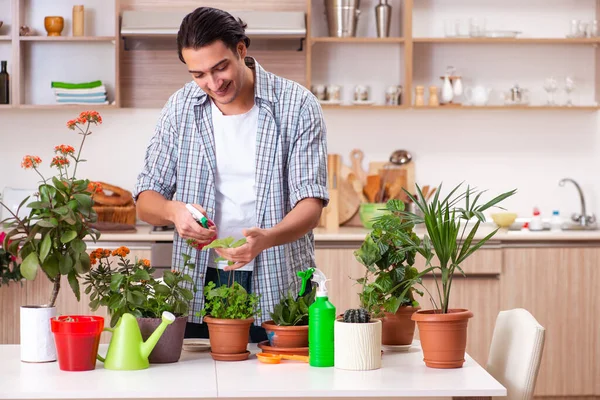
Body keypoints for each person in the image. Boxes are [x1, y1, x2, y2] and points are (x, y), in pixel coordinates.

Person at [133, 6, 328, 342]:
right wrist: (173, 211)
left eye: (219, 67)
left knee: (280, 384)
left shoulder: (297, 105)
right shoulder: (180, 108)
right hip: (199, 280)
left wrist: (266, 239)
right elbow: (146, 197)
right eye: (198, 74)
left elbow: (310, 205)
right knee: (199, 384)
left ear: (241, 49)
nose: (212, 83)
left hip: (278, 276)